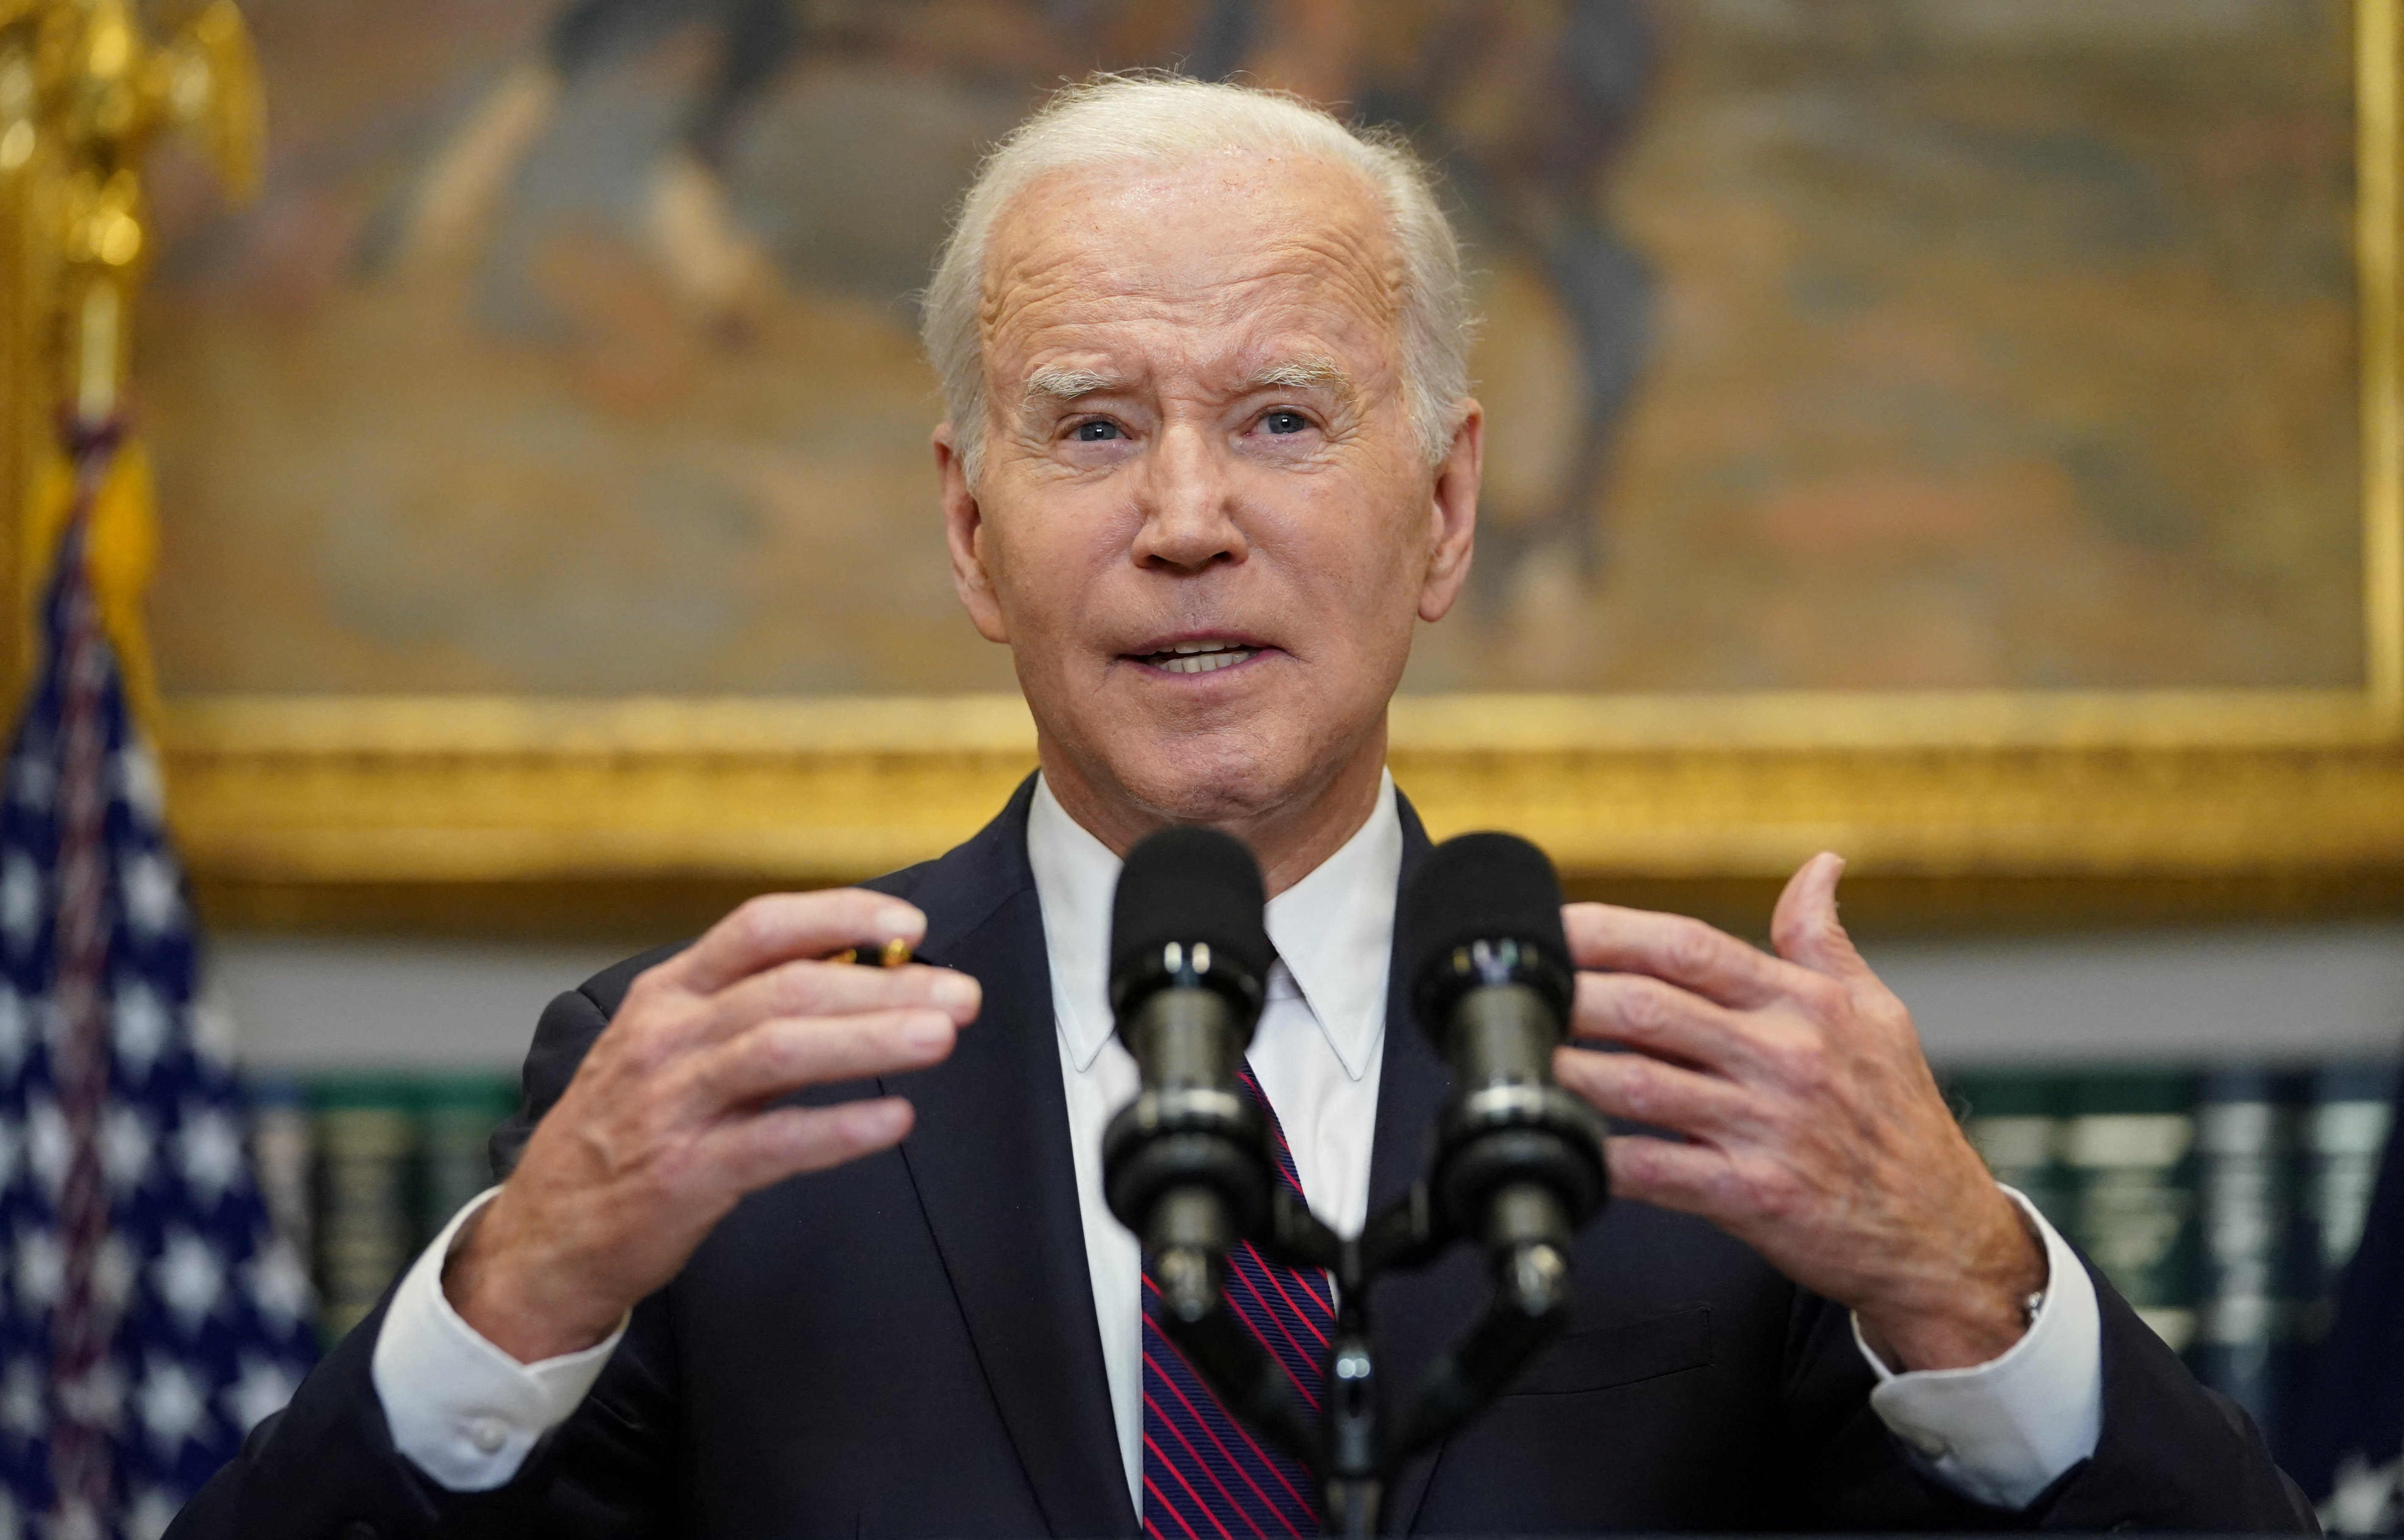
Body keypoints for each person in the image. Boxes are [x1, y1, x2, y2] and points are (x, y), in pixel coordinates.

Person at [172, 76, 2310, 1537]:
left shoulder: (1702, 1097)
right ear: (971, 527)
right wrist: (515, 1291)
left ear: (1448, 502)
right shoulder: (726, 1086)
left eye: (1282, 418)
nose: (1186, 520)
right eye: (1092, 428)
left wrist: (1963, 1281)